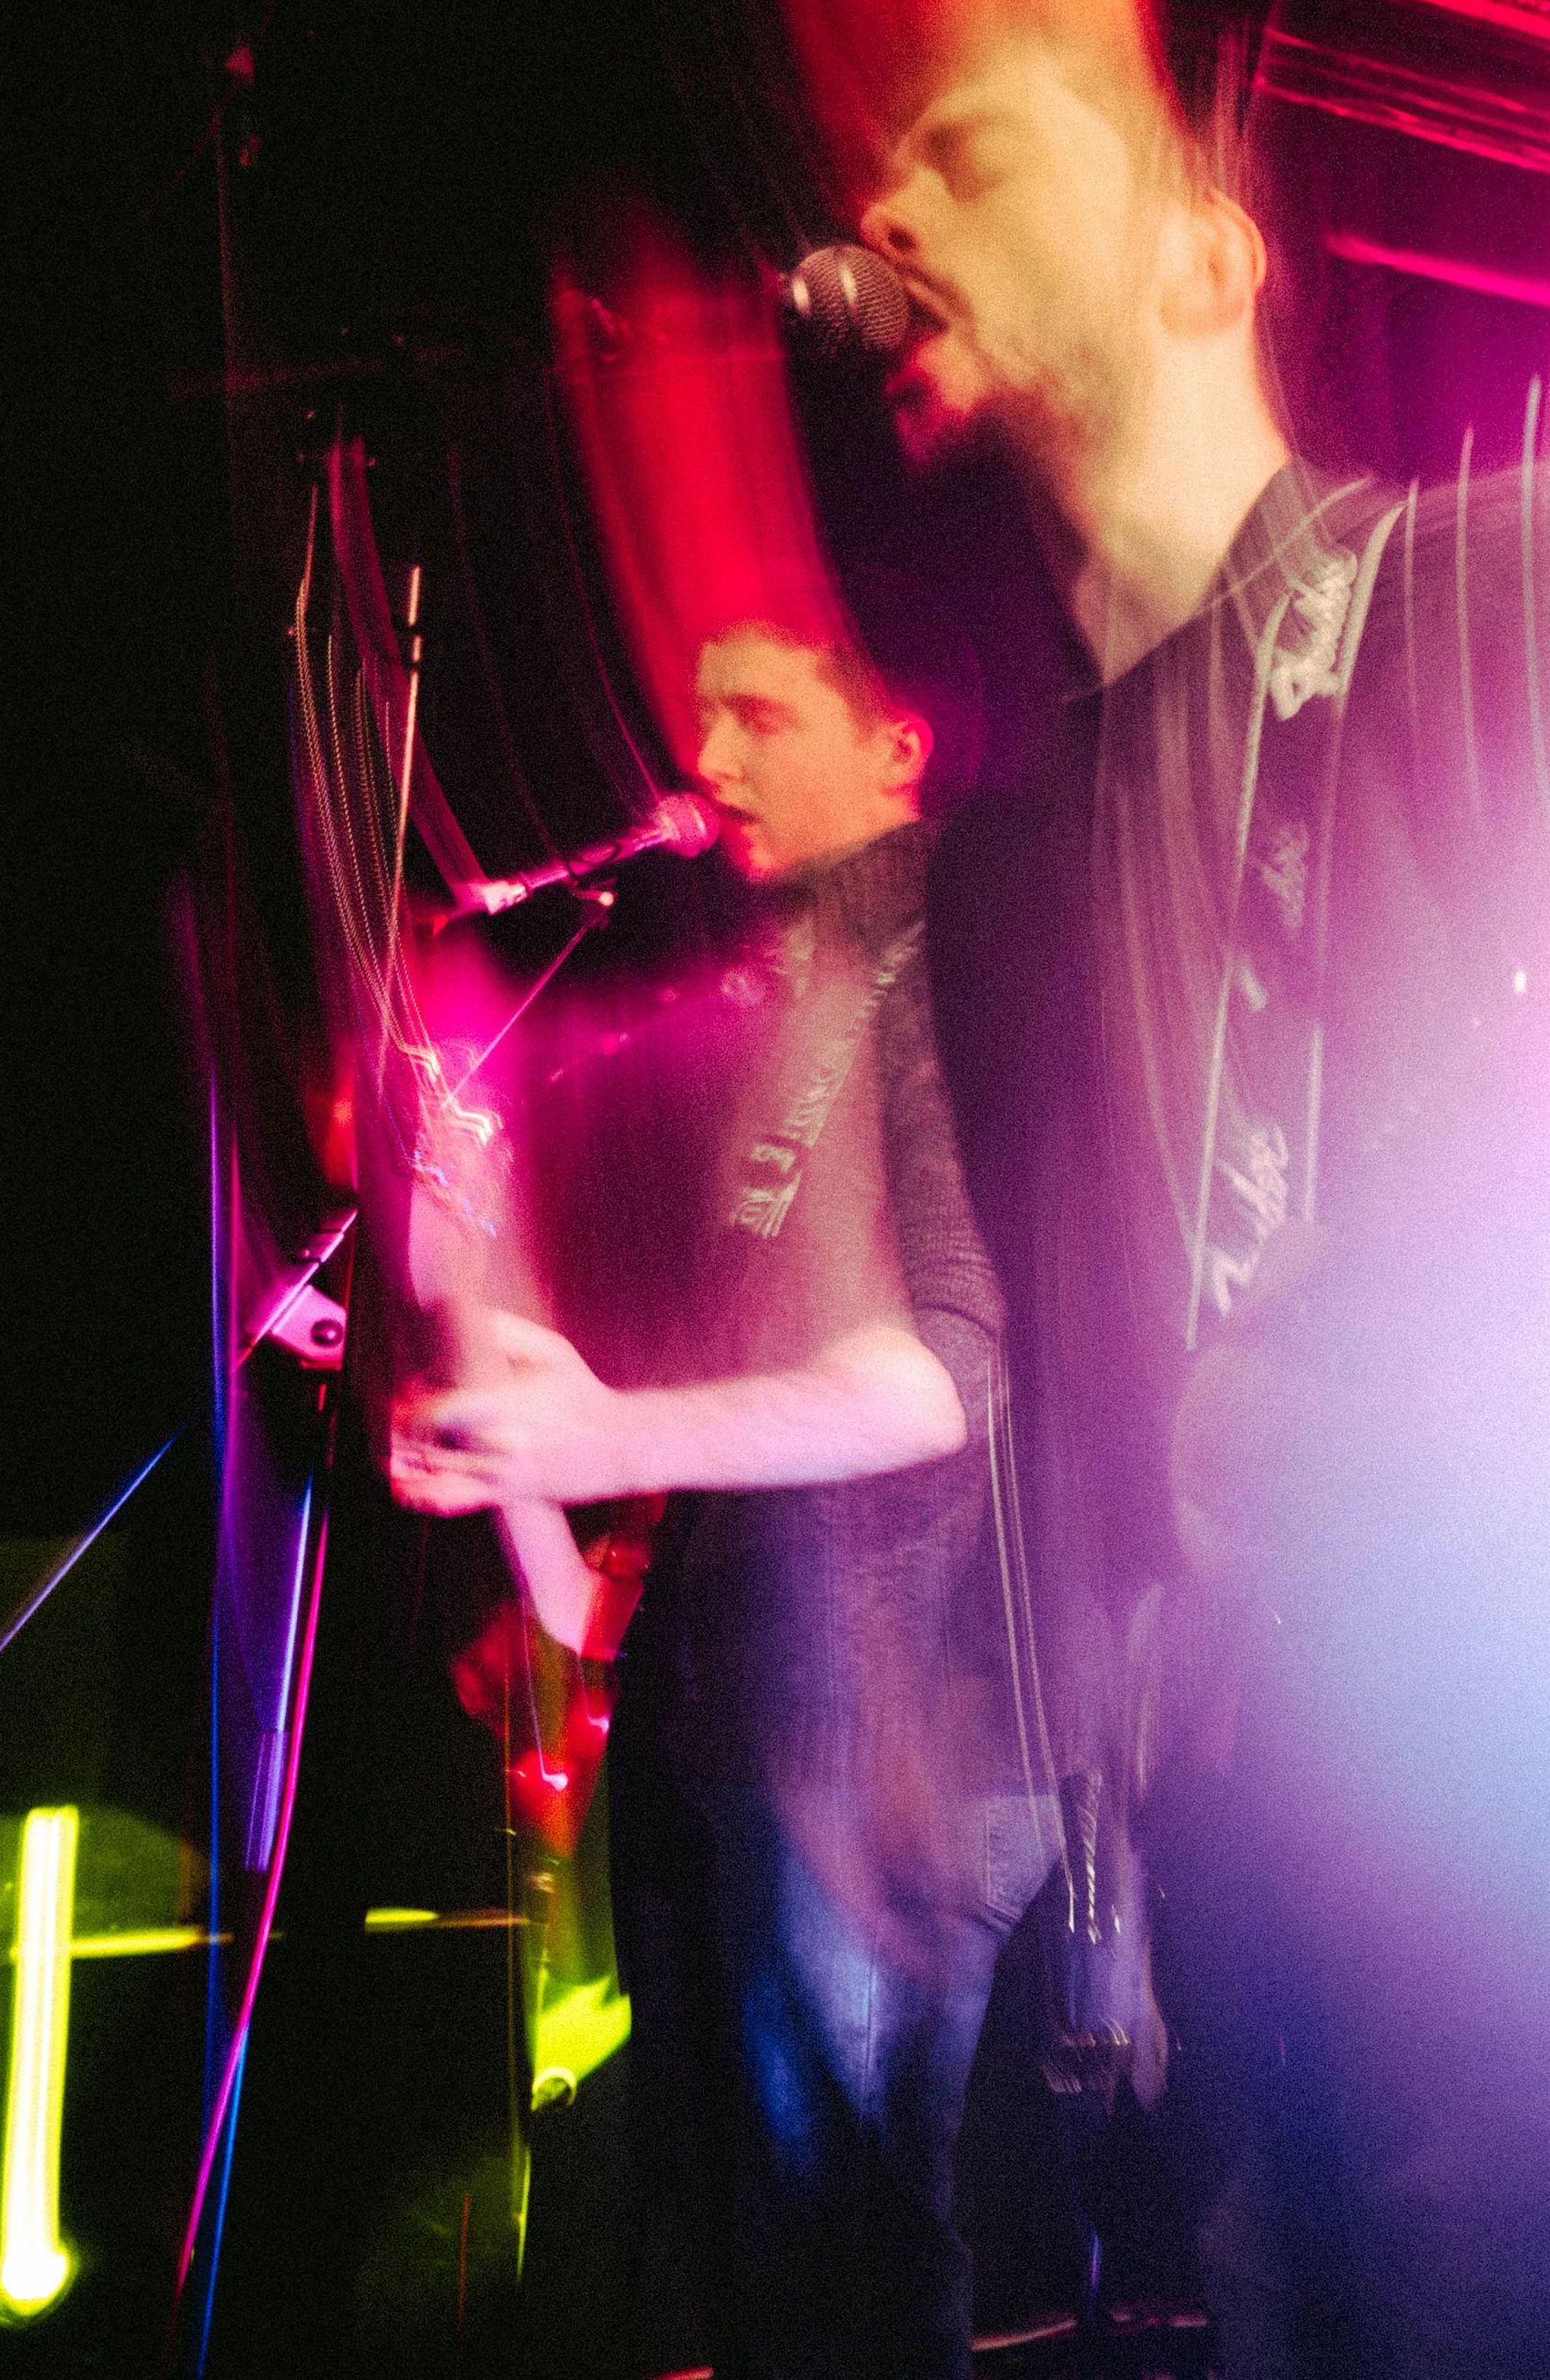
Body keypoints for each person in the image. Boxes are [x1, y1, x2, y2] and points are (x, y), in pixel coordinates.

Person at [857, 27, 1550, 2377]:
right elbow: (1065, 1399)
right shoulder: (996, 875)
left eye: (967, 154)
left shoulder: (1532, 575)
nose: (883, 218)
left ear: (1202, 262)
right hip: (1240, 1936)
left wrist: (1321, 1413)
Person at [391, 615, 1051, 2380]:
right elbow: (596, 1584)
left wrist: (609, 1439)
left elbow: (944, 1375)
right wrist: (491, 1350)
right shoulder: (778, 1006)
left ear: (899, 744)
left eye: (759, 714)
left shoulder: (940, 959)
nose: (710, 762)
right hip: (740, 1728)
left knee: (837, 2268)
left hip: (895, 1739)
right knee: (755, 2260)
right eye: (702, 720)